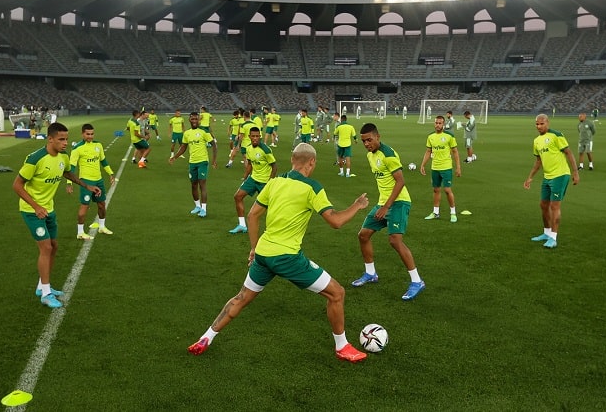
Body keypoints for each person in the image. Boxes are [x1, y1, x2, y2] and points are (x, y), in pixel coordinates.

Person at [187, 143, 371, 363]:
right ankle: (342, 347)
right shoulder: (312, 187)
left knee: (241, 297)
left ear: (293, 160)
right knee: (337, 293)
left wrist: (254, 248)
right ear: (311, 162)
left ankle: (206, 337)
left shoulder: (274, 182)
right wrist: (356, 206)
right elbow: (335, 221)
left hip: (263, 254)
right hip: (287, 258)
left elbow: (253, 216)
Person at [13, 122, 101, 308]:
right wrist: (36, 206)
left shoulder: (63, 157)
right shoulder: (35, 159)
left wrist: (86, 186)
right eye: (61, 139)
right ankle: (46, 294)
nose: (65, 143)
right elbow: (17, 185)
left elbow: (68, 173)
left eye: (67, 139)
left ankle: (42, 286)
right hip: (32, 210)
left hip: (49, 209)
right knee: (45, 248)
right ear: (50, 138)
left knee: (53, 246)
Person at [353, 123, 425, 301]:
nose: (366, 144)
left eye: (369, 139)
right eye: (363, 141)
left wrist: (386, 207)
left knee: (394, 240)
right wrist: (382, 205)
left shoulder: (388, 154)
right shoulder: (371, 155)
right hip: (383, 202)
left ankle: (417, 281)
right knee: (363, 235)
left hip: (399, 202)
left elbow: (400, 182)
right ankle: (371, 273)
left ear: (378, 137)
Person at [523, 114, 580, 249]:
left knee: (555, 206)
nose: (539, 126)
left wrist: (575, 172)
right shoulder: (536, 141)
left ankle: (553, 237)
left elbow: (568, 152)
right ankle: (546, 232)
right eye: (537, 124)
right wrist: (530, 177)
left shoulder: (556, 135)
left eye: (542, 124)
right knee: (543, 205)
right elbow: (538, 161)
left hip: (560, 175)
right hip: (547, 177)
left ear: (547, 123)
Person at [66, 123, 115, 240]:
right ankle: (80, 232)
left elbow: (103, 161)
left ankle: (102, 227)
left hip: (99, 181)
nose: (90, 136)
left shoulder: (98, 145)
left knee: (102, 205)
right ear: (82, 134)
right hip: (86, 182)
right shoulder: (77, 148)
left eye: (92, 134)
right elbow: (71, 167)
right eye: (87, 134)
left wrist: (111, 173)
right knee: (84, 206)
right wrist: (69, 183)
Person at [229, 127, 276, 234]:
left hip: (264, 182)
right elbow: (250, 164)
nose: (255, 138)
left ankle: (274, 229)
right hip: (253, 179)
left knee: (270, 207)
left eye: (257, 136)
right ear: (249, 137)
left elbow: (274, 166)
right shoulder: (249, 148)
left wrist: (270, 181)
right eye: (253, 136)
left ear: (260, 137)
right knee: (238, 196)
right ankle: (242, 225)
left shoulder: (266, 150)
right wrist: (245, 177)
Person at [169, 112, 217, 218]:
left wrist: (214, 160)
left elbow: (214, 145)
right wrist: (175, 157)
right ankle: (197, 206)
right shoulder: (187, 133)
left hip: (203, 162)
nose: (194, 121)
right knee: (193, 184)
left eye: (196, 119)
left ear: (198, 120)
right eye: (192, 119)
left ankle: (204, 209)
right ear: (189, 120)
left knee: (202, 184)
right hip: (192, 163)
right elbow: (183, 147)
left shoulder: (204, 132)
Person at [420, 115, 462, 222]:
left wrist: (458, 167)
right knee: (436, 189)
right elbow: (428, 151)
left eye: (440, 123)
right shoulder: (431, 136)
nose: (437, 125)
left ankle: (453, 213)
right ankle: (435, 212)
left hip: (446, 167)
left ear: (443, 124)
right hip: (435, 167)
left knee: (447, 190)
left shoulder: (449, 136)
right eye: (436, 123)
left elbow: (455, 152)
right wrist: (423, 164)